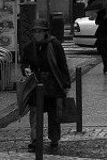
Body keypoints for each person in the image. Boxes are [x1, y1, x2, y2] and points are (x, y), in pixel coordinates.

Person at [20, 18, 70, 154]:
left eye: (40, 31)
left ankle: (54, 138)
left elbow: (62, 64)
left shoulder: (54, 44)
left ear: (45, 32)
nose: (37, 34)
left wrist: (65, 84)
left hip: (52, 84)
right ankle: (36, 140)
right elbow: (23, 63)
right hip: (35, 85)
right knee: (35, 113)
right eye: (35, 31)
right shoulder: (29, 47)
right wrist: (25, 69)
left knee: (54, 114)